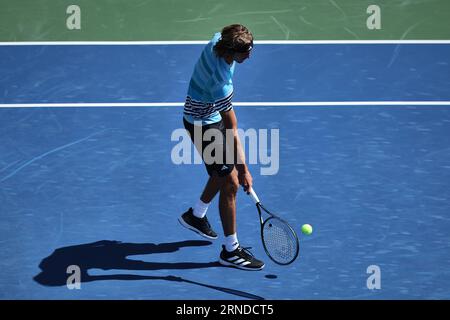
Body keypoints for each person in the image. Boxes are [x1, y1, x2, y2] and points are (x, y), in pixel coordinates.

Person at [178, 24, 264, 271]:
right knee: (230, 181)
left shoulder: (218, 39)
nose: (250, 54)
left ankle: (196, 214)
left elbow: (227, 32)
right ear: (230, 52)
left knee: (222, 172)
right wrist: (245, 169)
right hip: (200, 124)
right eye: (246, 51)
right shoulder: (220, 83)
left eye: (251, 47)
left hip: (208, 115)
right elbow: (232, 130)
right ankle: (230, 250)